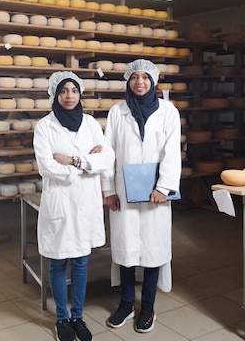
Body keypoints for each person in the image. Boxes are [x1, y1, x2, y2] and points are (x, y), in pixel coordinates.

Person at [33, 71, 115, 341]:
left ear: (80, 94)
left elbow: (107, 158)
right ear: (55, 95)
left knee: (81, 261)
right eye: (64, 91)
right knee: (58, 262)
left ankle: (78, 316)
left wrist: (75, 161)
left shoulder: (90, 123)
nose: (69, 96)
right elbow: (48, 167)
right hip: (60, 201)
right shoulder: (45, 126)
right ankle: (62, 319)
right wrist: (85, 167)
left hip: (86, 203)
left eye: (74, 91)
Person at [101, 59, 182, 333]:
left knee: (152, 249)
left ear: (153, 82)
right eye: (134, 77)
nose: (140, 82)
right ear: (128, 81)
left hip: (155, 193)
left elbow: (172, 152)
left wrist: (164, 186)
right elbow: (108, 153)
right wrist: (109, 190)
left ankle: (147, 306)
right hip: (124, 192)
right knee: (125, 249)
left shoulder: (168, 112)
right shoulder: (117, 112)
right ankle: (126, 304)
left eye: (145, 78)